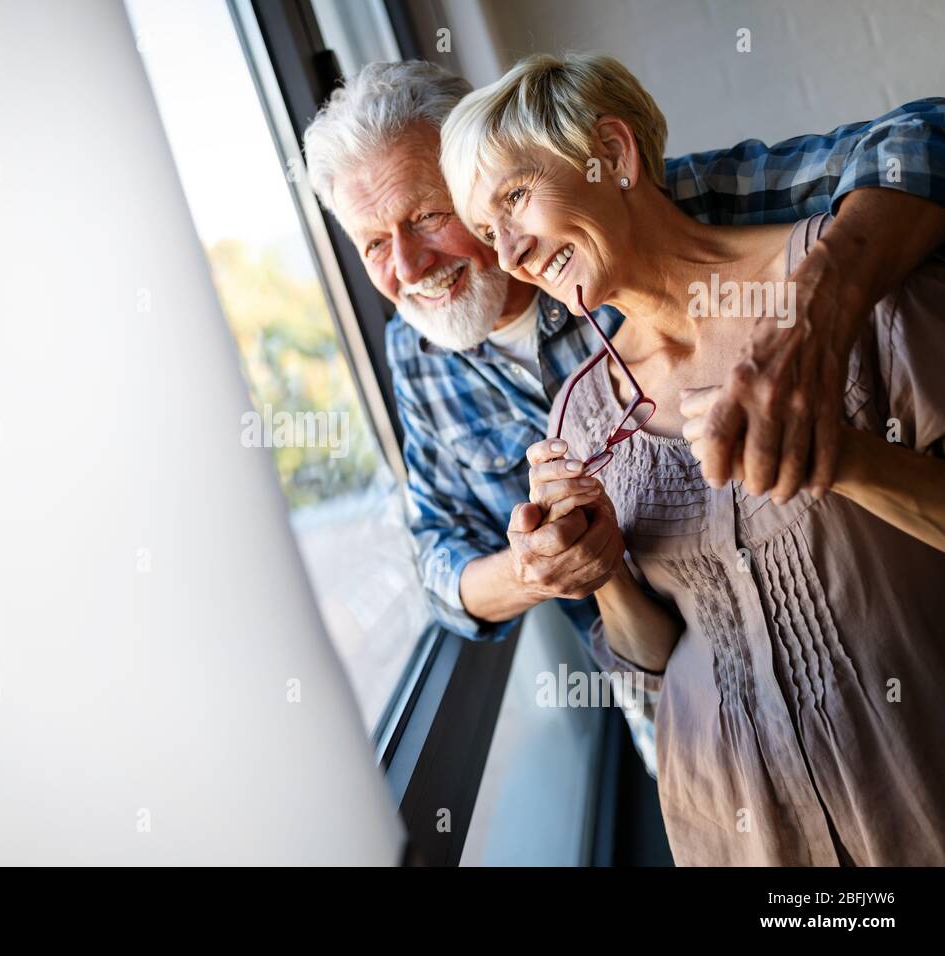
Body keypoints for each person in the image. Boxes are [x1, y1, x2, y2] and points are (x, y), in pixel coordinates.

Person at [302, 60, 945, 772]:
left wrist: (811, 320)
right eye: (371, 245)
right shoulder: (418, 354)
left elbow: (923, 140)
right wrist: (540, 569)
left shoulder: (672, 206)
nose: (408, 264)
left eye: (426, 215)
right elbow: (436, 558)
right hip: (698, 740)